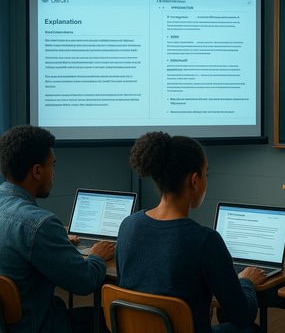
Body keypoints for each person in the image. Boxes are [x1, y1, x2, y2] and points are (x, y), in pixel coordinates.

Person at [116, 131, 266, 333]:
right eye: (206, 174)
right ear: (194, 180)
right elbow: (241, 313)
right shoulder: (205, 240)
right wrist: (246, 281)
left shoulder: (128, 225)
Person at [0, 124, 115, 333]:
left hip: (10, 325)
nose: (54, 173)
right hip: (40, 325)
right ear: (37, 171)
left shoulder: (33, 225)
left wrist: (57, 239)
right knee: (110, 318)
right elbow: (85, 282)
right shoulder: (40, 225)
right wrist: (97, 256)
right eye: (52, 165)